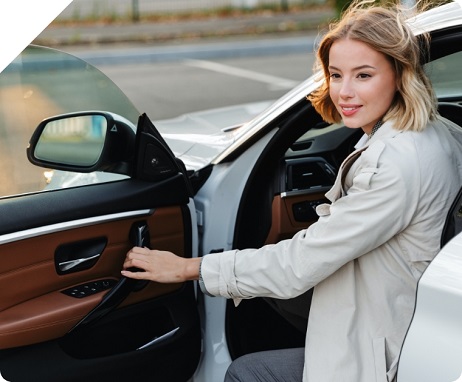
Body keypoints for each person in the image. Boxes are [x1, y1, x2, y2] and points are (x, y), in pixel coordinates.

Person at [122, 1, 462, 381]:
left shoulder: (395, 163)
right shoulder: (441, 133)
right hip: (401, 307)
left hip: (385, 348)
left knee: (248, 371)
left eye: (363, 76)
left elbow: (298, 266)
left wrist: (188, 268)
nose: (343, 92)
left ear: (400, 75)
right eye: (335, 75)